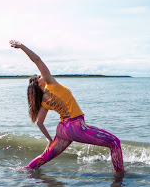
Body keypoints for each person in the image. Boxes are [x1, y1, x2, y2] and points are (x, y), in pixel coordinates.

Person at [10, 40, 124, 179]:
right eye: (39, 77)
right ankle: (120, 175)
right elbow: (37, 59)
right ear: (38, 84)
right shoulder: (51, 84)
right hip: (75, 127)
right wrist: (21, 46)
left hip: (63, 130)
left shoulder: (43, 101)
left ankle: (25, 171)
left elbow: (39, 122)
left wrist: (50, 140)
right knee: (114, 142)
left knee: (45, 157)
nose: (41, 76)